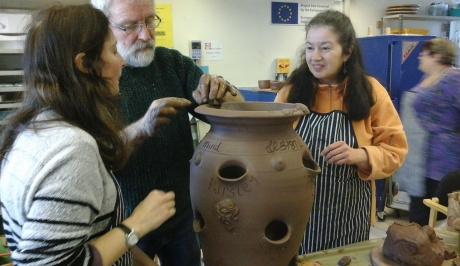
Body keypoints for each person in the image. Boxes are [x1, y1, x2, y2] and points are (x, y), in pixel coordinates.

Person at [0, 5, 176, 265]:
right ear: (84, 64)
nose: (122, 62)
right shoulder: (72, 149)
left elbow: (91, 237)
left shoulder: (34, 126)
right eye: (113, 51)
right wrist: (138, 223)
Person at [90, 0, 244, 265]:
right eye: (130, 26)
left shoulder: (172, 64)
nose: (146, 34)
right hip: (126, 222)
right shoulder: (97, 78)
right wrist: (140, 130)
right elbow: (93, 155)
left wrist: (221, 89)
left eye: (150, 21)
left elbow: (238, 113)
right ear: (105, 27)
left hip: (181, 212)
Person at [274, 10, 408, 254]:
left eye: (325, 48)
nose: (315, 57)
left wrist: (361, 155)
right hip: (297, 211)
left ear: (347, 52)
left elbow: (396, 151)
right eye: (310, 48)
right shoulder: (290, 93)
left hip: (348, 214)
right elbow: (268, 145)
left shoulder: (371, 92)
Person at [396, 38, 460, 226]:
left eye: (424, 53)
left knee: (436, 219)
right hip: (419, 162)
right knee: (418, 215)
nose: (420, 57)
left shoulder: (453, 79)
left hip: (443, 162)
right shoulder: (428, 78)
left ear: (437, 56)